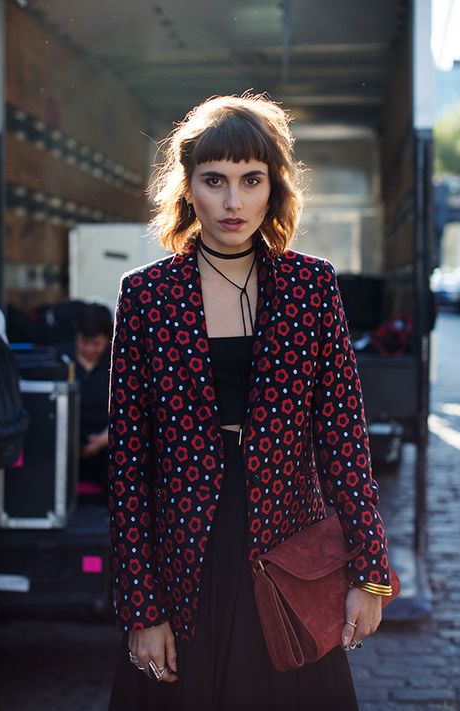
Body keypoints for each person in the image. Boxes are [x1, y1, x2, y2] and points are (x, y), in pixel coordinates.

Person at [107, 94, 393, 711]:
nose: (233, 203)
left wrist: (370, 571)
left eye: (250, 180)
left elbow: (344, 437)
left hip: (287, 551)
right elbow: (130, 466)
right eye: (214, 181)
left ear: (273, 188)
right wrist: (140, 606)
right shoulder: (146, 296)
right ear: (187, 189)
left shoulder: (311, 286)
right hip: (183, 557)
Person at [57, 302, 112, 500]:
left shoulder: (119, 361)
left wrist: (105, 438)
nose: (89, 349)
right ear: (76, 334)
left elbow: (135, 408)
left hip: (107, 444)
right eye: (84, 342)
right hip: (63, 445)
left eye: (96, 343)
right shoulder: (59, 359)